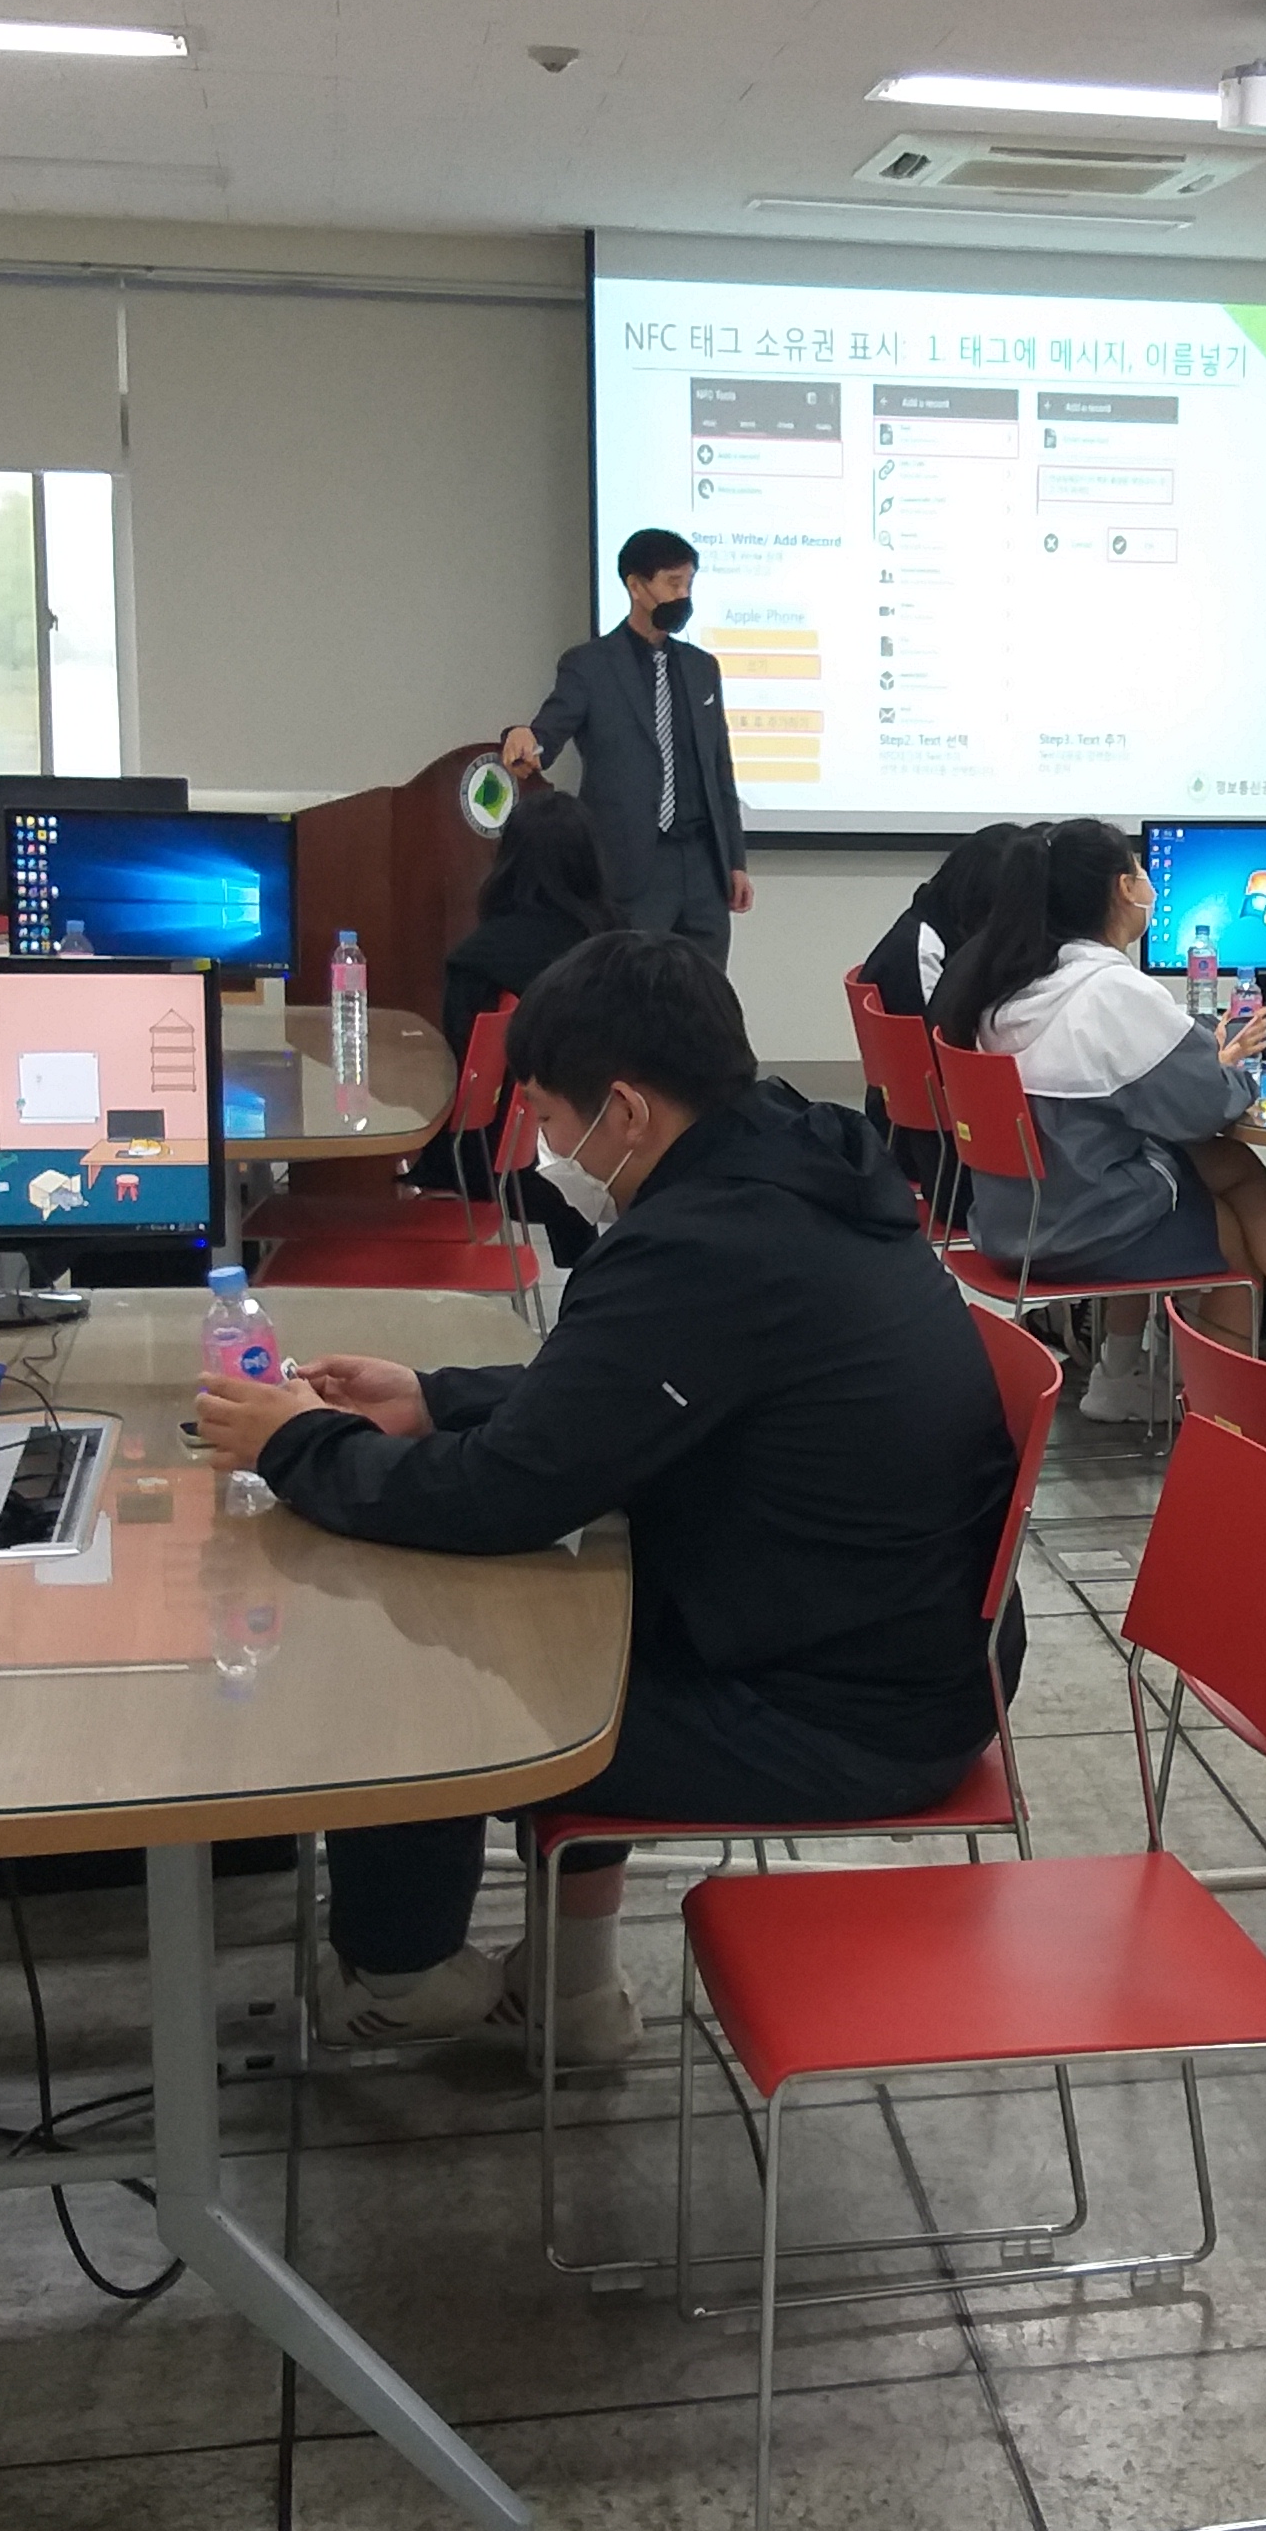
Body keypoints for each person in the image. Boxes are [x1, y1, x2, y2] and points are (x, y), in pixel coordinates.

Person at [188, 934, 1017, 2063]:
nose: (542, 1147)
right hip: (879, 1647)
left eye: (544, 1116)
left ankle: (400, 1977)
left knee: (419, 1675)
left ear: (623, 1111)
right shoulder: (789, 1164)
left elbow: (503, 1498)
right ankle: (572, 1998)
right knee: (531, 1608)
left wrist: (297, 1444)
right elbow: (630, 1389)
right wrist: (431, 1398)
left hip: (837, 1719)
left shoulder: (705, 1244)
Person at [931, 817, 1266, 1419]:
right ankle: (1232, 1411)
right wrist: (1229, 1066)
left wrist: (1205, 1065)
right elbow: (1205, 1107)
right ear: (1122, 888)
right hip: (1078, 1228)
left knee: (1227, 1164)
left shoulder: (1014, 985)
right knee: (1227, 1236)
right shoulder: (1111, 991)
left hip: (1012, 1218)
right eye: (1141, 872)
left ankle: (1121, 1379)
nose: (1150, 885)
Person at [504, 529, 750, 966]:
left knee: (706, 990)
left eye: (689, 583)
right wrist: (525, 736)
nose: (684, 594)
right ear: (636, 586)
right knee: (630, 986)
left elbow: (719, 768)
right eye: (673, 583)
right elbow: (550, 730)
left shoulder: (701, 668)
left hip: (703, 867)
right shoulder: (590, 665)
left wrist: (734, 861)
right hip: (632, 865)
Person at [437, 787, 621, 1250]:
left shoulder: (478, 958)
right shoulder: (620, 946)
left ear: (509, 861)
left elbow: (457, 1073)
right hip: (612, 1150)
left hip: (488, 1163)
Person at [854, 821, 1019, 1210]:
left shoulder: (931, 926)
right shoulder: (922, 948)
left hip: (930, 1141)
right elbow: (943, 1060)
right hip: (938, 1156)